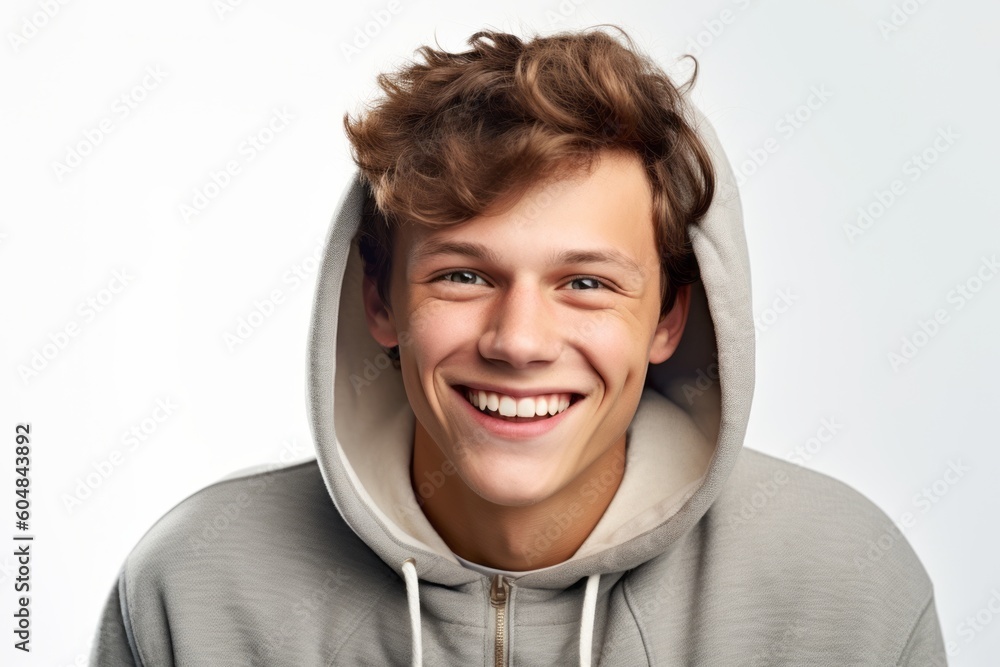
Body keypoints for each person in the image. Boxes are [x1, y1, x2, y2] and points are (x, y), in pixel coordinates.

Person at [91, 26, 947, 666]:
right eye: (463, 275)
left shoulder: (845, 587)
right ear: (379, 301)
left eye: (587, 282)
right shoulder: (193, 585)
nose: (519, 341)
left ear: (668, 318)